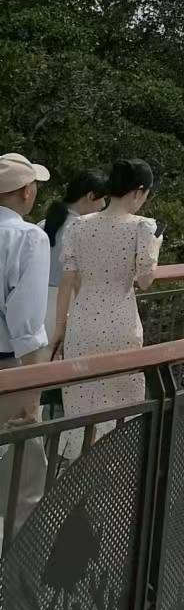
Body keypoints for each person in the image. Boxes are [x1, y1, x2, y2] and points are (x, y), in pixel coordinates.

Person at [52, 159, 161, 452]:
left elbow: (67, 281)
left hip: (82, 323)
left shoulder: (79, 225)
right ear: (138, 191)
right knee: (120, 405)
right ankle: (115, 465)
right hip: (121, 324)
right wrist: (155, 245)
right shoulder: (142, 227)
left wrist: (60, 328)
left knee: (81, 403)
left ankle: (80, 463)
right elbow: (145, 280)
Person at [0, 152, 52, 536]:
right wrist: (33, 392)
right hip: (8, 370)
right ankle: (19, 565)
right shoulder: (28, 237)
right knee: (24, 478)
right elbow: (28, 323)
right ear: (26, 191)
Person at [42, 169, 108, 378]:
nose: (103, 205)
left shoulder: (43, 225)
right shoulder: (83, 230)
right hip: (66, 307)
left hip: (38, 306)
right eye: (102, 198)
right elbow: (81, 280)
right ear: (90, 196)